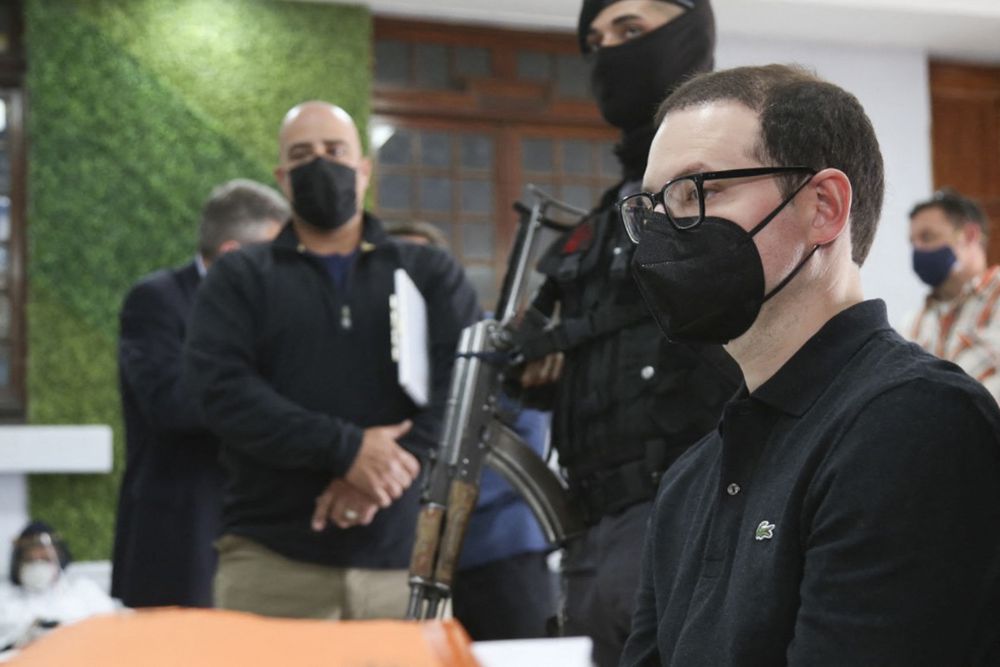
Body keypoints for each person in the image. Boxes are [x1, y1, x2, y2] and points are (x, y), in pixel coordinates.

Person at [618, 63, 1000, 665]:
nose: (664, 232)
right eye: (651, 209)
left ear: (823, 206)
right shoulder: (691, 479)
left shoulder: (913, 423)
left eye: (696, 192)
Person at [183, 102, 480, 620]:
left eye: (335, 150)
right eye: (302, 154)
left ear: (363, 169)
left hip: (406, 566)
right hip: (270, 567)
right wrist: (345, 450)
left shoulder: (430, 272)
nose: (320, 163)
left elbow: (467, 389)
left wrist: (382, 472)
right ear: (282, 176)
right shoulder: (239, 277)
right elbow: (221, 391)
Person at [513, 2, 739, 663]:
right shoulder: (599, 227)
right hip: (590, 534)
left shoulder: (739, 186)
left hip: (700, 517)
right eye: (596, 39)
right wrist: (544, 364)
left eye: (631, 29)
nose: (609, 50)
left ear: (690, 31)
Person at [111, 179, 288, 608]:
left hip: (263, 533)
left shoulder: (274, 308)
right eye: (274, 254)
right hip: (183, 531)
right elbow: (172, 404)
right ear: (232, 254)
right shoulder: (157, 300)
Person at [387, 221, 556, 640]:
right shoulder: (373, 354)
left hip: (499, 548)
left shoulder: (494, 340)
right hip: (395, 559)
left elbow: (526, 438)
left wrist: (433, 499)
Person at [907, 188, 1000, 401]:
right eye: (913, 242)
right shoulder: (912, 324)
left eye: (927, 237)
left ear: (970, 235)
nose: (917, 250)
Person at [1, 522, 117, 651]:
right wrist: (16, 643)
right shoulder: (5, 601)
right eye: (30, 560)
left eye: (45, 559)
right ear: (18, 563)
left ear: (59, 557)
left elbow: (113, 633)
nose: (38, 564)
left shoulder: (85, 591)